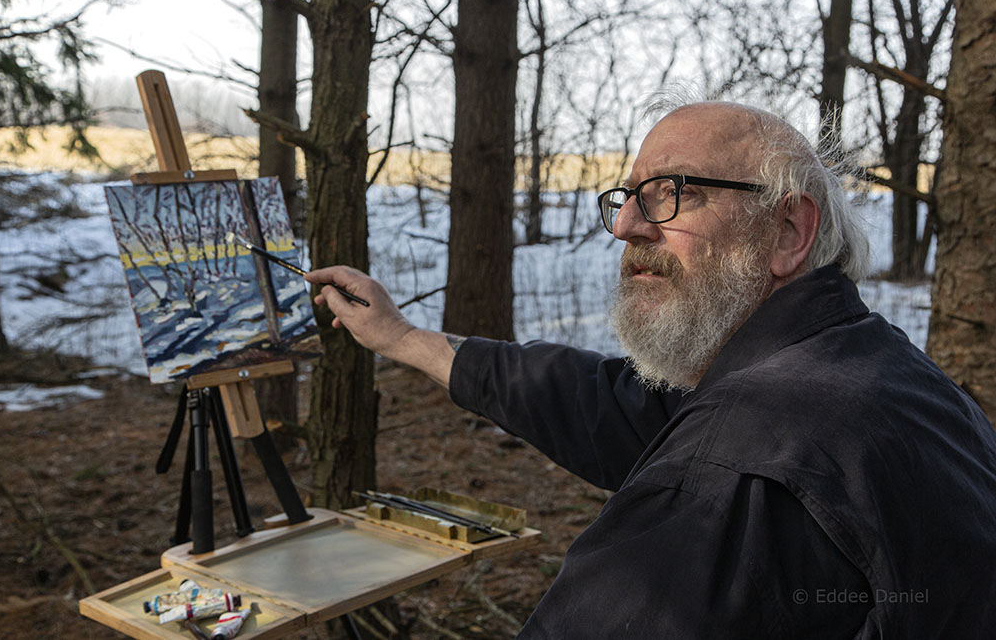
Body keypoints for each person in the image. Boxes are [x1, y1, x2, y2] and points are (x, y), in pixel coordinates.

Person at [305, 99, 996, 639]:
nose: (625, 226)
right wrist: (404, 337)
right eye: (628, 195)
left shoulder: (735, 469)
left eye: (669, 193)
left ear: (788, 230)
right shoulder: (871, 369)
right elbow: (603, 405)